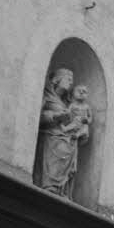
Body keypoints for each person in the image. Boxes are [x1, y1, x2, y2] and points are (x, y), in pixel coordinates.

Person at [36, 67, 80, 197]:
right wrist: (55, 116)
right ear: (58, 79)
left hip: (64, 138)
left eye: (72, 80)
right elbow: (37, 116)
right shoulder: (47, 96)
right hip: (50, 138)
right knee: (61, 146)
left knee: (67, 146)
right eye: (68, 79)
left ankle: (61, 190)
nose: (71, 82)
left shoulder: (66, 102)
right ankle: (49, 186)